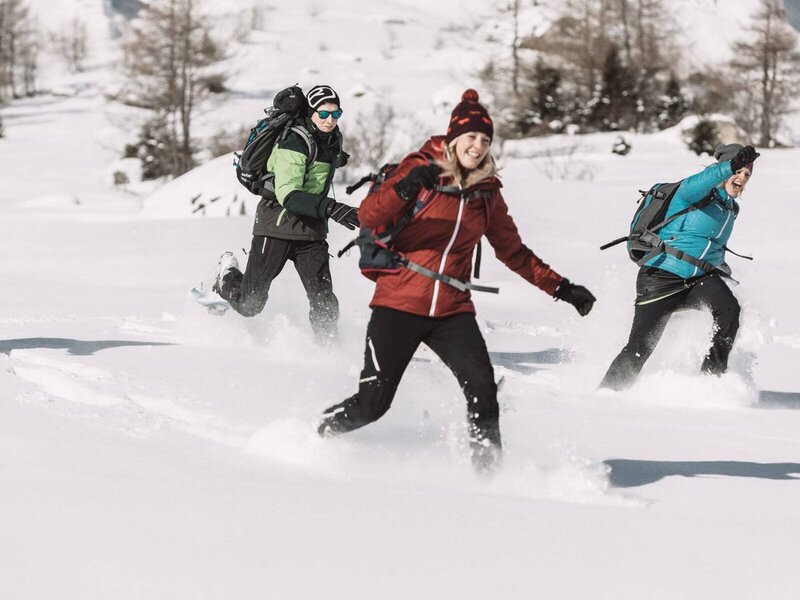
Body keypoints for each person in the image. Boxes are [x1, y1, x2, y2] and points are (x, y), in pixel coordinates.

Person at [316, 89, 596, 473]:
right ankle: (317, 436)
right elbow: (369, 214)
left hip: (452, 309)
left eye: (485, 139)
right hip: (399, 301)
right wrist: (407, 184)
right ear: (453, 138)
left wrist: (562, 288)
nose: (478, 146)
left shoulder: (486, 193)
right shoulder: (420, 167)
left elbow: (513, 251)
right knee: (373, 404)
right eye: (471, 137)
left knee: (483, 391)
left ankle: (488, 480)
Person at [600, 143, 760, 390]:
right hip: (661, 275)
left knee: (729, 312)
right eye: (737, 171)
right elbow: (704, 179)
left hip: (698, 279)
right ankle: (609, 392)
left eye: (746, 174)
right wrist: (730, 165)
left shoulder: (729, 208)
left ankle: (711, 383)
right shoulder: (691, 192)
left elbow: (711, 244)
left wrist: (722, 268)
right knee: (641, 346)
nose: (741, 178)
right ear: (722, 169)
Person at [213, 84, 359, 342]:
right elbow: (289, 195)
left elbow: (324, 162)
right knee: (250, 305)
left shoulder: (332, 138)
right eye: (323, 114)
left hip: (311, 231)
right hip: (276, 226)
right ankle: (226, 277)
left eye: (336, 114)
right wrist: (333, 209)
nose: (330, 120)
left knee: (323, 298)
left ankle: (330, 350)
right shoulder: (293, 142)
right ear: (311, 112)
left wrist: (339, 157)